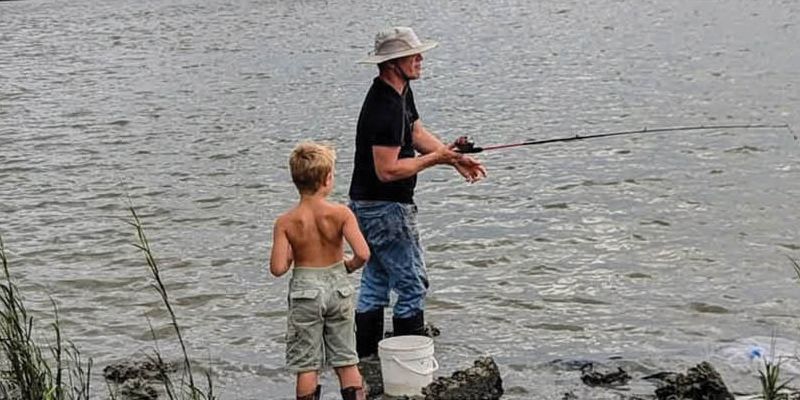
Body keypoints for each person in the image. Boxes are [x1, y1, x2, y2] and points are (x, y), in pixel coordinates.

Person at [349, 26, 487, 358]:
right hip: (385, 209)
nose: (420, 58)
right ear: (392, 63)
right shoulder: (384, 107)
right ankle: (408, 363)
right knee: (412, 286)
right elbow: (387, 170)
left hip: (367, 204)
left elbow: (416, 131)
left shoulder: (400, 91)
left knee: (375, 283)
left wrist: (454, 158)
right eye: (413, 55)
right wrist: (436, 159)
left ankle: (367, 362)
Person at [270, 142, 371, 400]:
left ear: (295, 180)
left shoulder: (285, 222)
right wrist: (348, 266)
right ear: (327, 179)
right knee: (346, 358)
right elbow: (363, 254)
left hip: (305, 291)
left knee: (307, 364)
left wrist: (294, 252)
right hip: (338, 288)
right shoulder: (341, 213)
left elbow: (278, 268)